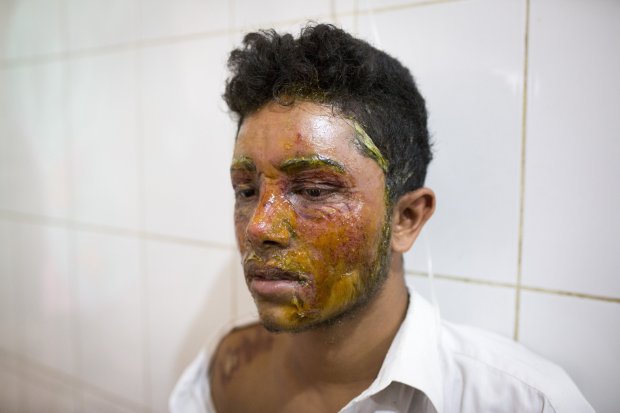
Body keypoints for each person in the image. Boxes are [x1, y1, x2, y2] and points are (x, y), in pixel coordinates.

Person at [170, 23, 593, 413]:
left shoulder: (522, 401)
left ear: (406, 218)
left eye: (314, 190)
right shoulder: (226, 371)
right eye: (246, 191)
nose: (259, 226)